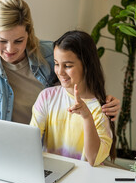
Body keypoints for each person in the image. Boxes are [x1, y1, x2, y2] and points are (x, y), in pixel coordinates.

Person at [0, 0, 120, 124]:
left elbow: (84, 89)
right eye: (2, 41)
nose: (10, 49)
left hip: (55, 143)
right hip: (12, 146)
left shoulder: (52, 55)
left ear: (29, 33)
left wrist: (106, 102)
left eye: (18, 41)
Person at [30, 30, 116, 166]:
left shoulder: (101, 107)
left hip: (84, 180)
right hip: (51, 173)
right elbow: (31, 141)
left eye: (68, 66)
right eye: (57, 64)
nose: (60, 71)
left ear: (86, 65)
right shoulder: (47, 97)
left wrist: (87, 116)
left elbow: (94, 159)